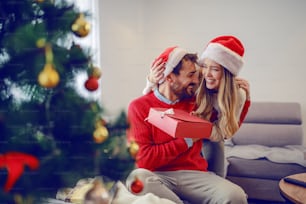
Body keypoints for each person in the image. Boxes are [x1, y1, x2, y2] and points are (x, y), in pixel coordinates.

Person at [126, 46, 248, 204]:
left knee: (235, 196)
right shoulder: (139, 107)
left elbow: (226, 130)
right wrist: (187, 140)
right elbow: (144, 160)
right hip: (156, 176)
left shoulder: (198, 102)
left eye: (197, 75)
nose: (197, 81)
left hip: (194, 174)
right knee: (137, 179)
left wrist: (242, 98)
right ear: (170, 77)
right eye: (191, 75)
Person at [142, 35, 251, 177]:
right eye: (205, 66)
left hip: (212, 136)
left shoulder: (237, 93)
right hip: (189, 130)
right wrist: (151, 81)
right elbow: (164, 94)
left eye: (215, 70)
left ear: (227, 73)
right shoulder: (198, 79)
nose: (207, 74)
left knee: (217, 176)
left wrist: (198, 131)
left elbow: (225, 132)